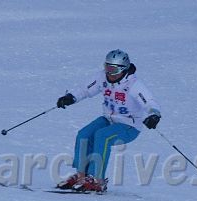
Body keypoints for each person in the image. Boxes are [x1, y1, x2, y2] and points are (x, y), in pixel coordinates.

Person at [56, 49, 161, 192]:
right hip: (108, 119)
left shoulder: (134, 85)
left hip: (129, 125)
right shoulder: (102, 77)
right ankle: (82, 176)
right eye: (107, 67)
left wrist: (154, 115)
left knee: (102, 136)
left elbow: (149, 102)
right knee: (84, 134)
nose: (109, 73)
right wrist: (71, 97)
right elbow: (85, 89)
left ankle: (97, 180)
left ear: (123, 69)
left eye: (113, 69)